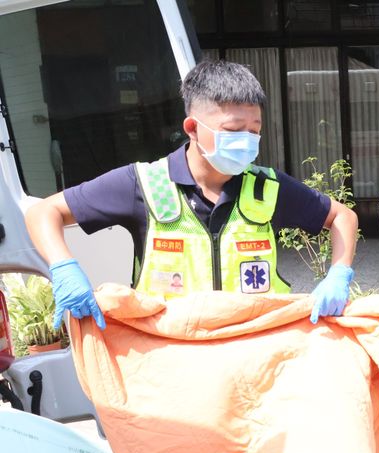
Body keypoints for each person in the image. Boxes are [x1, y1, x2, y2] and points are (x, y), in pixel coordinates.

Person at [25, 59, 358, 330]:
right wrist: (64, 269)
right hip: (172, 364)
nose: (246, 140)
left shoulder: (267, 188)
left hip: (252, 357)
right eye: (233, 130)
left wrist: (338, 274)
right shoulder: (143, 184)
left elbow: (342, 216)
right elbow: (43, 213)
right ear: (193, 128)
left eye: (254, 131)